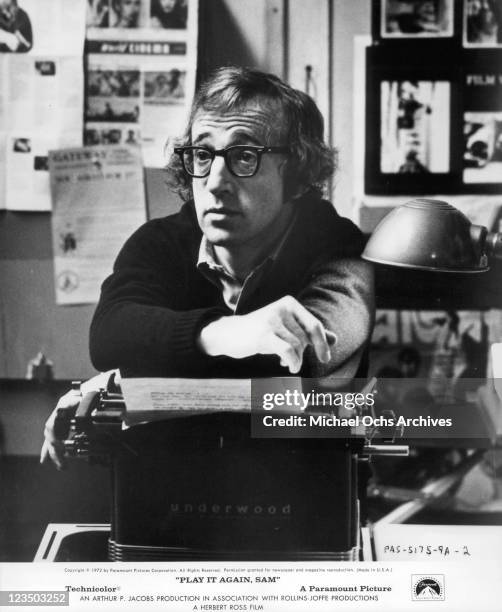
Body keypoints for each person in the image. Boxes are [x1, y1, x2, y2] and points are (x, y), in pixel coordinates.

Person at [41, 66, 374, 467]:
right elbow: (110, 334)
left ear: (300, 175)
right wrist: (225, 334)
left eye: (244, 156)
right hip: (178, 486)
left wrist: (123, 381)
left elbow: (300, 364)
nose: (216, 181)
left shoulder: (346, 253)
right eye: (202, 154)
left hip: (305, 492)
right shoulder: (158, 242)